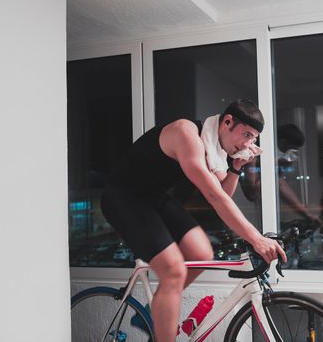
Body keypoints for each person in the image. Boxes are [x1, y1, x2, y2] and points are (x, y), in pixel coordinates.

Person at [100, 99, 286, 342]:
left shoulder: (216, 148)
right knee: (174, 270)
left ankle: (153, 310)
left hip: (154, 198)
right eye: (247, 135)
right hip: (123, 197)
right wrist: (257, 239)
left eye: (253, 139)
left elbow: (222, 192)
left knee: (202, 252)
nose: (248, 144)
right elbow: (215, 197)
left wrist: (236, 168)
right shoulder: (186, 134)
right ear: (227, 122)